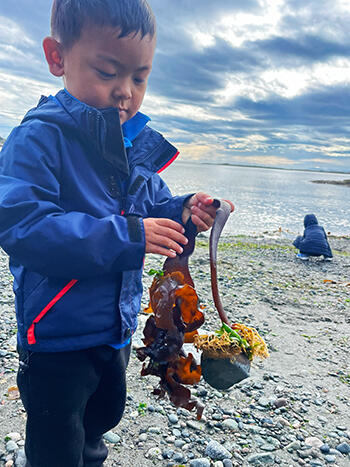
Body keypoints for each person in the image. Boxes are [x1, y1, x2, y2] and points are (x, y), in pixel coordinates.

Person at [0, 1, 234, 466]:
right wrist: (130, 236)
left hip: (117, 330)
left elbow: (152, 208)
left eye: (139, 77)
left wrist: (186, 210)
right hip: (57, 335)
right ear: (57, 58)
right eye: (108, 72)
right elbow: (23, 225)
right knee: (56, 442)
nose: (125, 92)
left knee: (99, 423)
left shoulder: (134, 147)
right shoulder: (38, 139)